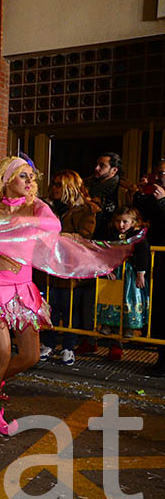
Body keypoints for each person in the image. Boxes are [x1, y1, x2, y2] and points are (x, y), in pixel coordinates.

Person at [0, 156, 136, 435]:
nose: (30, 182)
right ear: (7, 180)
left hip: (24, 290)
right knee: (2, 353)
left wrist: (33, 208)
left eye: (32, 177)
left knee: (29, 356)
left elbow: (52, 228)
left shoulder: (37, 209)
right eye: (23, 177)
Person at [38, 170, 99, 367]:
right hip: (50, 267)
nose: (54, 188)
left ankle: (68, 347)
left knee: (70, 310)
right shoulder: (47, 206)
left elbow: (84, 235)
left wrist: (59, 236)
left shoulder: (85, 209)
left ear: (69, 187)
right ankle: (48, 343)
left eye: (59, 184)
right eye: (54, 184)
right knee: (50, 308)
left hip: (71, 267)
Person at [96, 206, 149, 361]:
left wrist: (141, 273)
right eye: (118, 221)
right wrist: (106, 270)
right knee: (111, 299)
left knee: (129, 299)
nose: (121, 225)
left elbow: (143, 254)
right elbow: (104, 253)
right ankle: (108, 323)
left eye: (125, 221)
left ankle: (129, 326)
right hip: (115, 272)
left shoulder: (138, 236)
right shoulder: (110, 235)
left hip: (130, 274)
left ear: (133, 222)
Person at [133, 157, 165, 376]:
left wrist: (163, 202)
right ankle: (161, 362)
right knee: (160, 312)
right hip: (158, 262)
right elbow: (141, 213)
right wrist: (140, 193)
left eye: (163, 173)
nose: (160, 176)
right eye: (158, 172)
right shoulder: (155, 194)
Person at [86, 152, 134, 240]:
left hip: (114, 239)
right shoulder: (86, 186)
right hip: (89, 236)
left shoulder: (125, 190)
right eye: (97, 165)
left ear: (114, 170)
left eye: (102, 166)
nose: (96, 168)